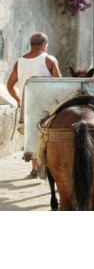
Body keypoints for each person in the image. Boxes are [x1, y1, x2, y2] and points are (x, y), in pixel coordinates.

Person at [6, 32, 62, 179]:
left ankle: (35, 169)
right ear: (44, 45)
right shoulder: (49, 59)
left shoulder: (19, 62)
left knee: (32, 135)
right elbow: (60, 83)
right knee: (49, 134)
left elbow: (10, 85)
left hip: (28, 105)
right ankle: (49, 167)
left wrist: (19, 100)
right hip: (47, 105)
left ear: (31, 44)